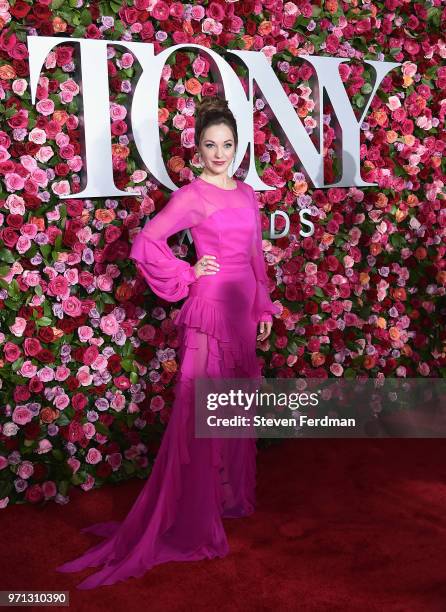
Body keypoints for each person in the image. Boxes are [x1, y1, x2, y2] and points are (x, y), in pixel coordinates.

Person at [56, 96, 281, 589]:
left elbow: (255, 254)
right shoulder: (192, 196)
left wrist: (264, 306)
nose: (219, 153)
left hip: (242, 313)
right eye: (209, 145)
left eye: (226, 144)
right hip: (208, 311)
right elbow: (147, 242)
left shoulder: (246, 194)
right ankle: (190, 519)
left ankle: (223, 498)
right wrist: (187, 270)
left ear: (237, 146)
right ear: (196, 149)